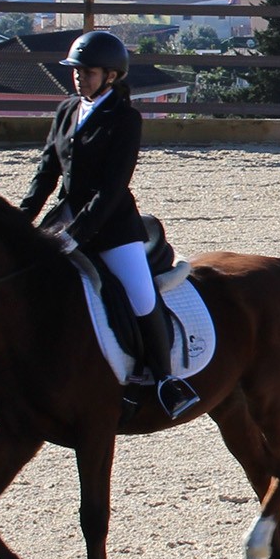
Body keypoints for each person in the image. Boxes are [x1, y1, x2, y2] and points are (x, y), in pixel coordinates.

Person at [18, 30, 197, 419]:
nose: (80, 78)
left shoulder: (125, 118)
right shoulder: (66, 109)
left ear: (111, 76)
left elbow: (112, 187)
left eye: (89, 72)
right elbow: (46, 171)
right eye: (76, 71)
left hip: (113, 225)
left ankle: (165, 380)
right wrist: (21, 220)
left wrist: (76, 236)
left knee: (140, 294)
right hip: (65, 218)